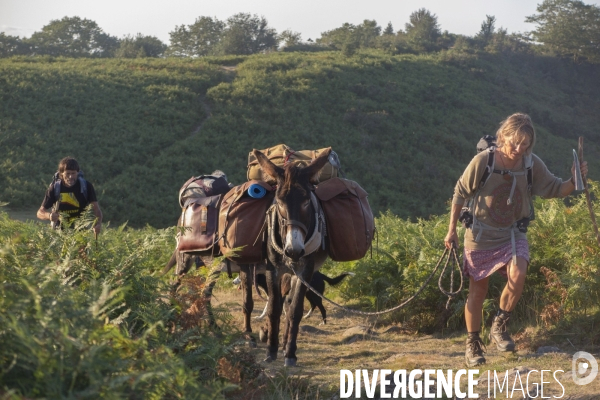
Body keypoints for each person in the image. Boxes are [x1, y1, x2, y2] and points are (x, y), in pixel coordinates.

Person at [444, 113, 588, 367]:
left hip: (512, 233)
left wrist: (575, 180)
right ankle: (473, 344)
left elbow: (554, 188)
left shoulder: (530, 164)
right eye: (514, 143)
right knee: (478, 291)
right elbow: (460, 192)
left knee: (519, 273)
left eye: (525, 145)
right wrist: (451, 230)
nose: (519, 149)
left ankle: (499, 326)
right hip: (480, 235)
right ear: (503, 137)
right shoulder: (484, 161)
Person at [37, 157, 103, 235]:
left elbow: (96, 209)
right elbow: (40, 212)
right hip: (59, 230)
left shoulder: (86, 186)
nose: (71, 176)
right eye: (68, 173)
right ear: (61, 173)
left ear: (77, 173)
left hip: (80, 228)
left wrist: (98, 224)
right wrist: (49, 216)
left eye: (73, 173)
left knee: (81, 246)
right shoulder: (55, 188)